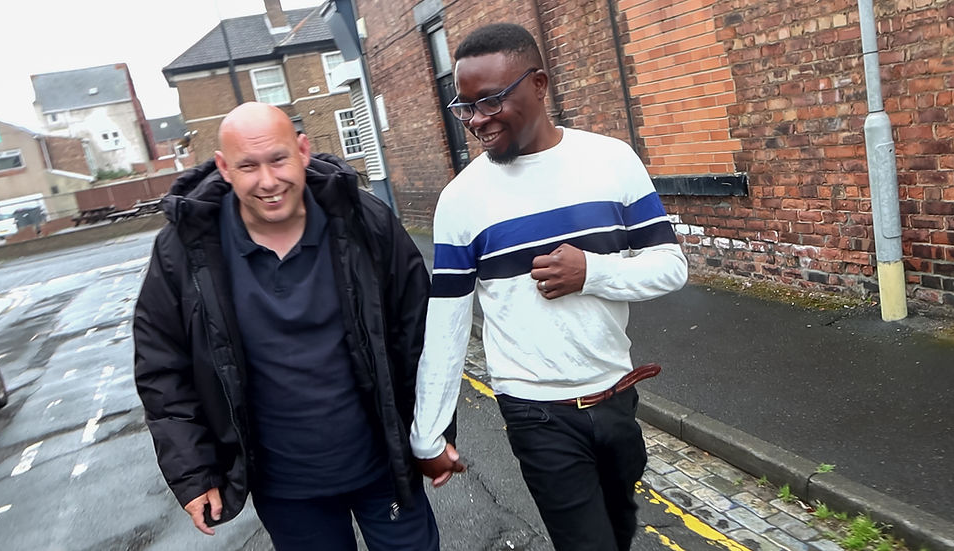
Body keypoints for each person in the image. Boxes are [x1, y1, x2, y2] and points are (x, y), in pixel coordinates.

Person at [410, 23, 689, 551]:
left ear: (538, 84)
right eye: (465, 107)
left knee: (619, 529)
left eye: (490, 101)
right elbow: (445, 325)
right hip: (534, 410)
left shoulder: (611, 161)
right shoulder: (461, 200)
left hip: (616, 397)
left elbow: (671, 267)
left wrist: (595, 272)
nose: (478, 121)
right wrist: (429, 432)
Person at [133, 102, 440, 550]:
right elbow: (162, 367)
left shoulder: (363, 222)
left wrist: (434, 434)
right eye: (248, 166)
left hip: (383, 466)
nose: (269, 181)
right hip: (286, 490)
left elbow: (419, 331)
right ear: (223, 168)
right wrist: (194, 472)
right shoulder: (184, 249)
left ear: (303, 150)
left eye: (278, 159)